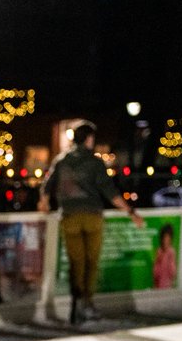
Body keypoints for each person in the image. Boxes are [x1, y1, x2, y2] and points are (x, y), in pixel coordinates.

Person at [38, 119, 144, 324]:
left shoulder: (61, 160)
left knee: (76, 262)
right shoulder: (95, 162)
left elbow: (46, 186)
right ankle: (87, 303)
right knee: (91, 263)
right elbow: (111, 193)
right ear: (89, 139)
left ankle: (75, 301)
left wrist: (44, 203)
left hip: (69, 217)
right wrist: (131, 211)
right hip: (92, 216)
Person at [152, 224, 177, 290]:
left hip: (168, 287)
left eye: (168, 238)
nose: (166, 240)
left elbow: (173, 274)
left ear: (171, 238)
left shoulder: (171, 252)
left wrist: (171, 260)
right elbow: (155, 274)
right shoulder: (159, 251)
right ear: (161, 238)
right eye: (164, 237)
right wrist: (157, 260)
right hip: (158, 288)